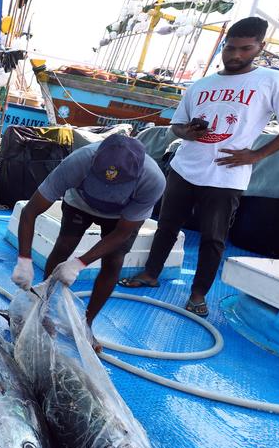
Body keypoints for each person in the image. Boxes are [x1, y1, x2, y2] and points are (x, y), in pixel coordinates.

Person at [120, 17, 279, 317]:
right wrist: (186, 132)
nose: (235, 55)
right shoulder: (202, 85)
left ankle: (198, 294)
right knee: (166, 226)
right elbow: (176, 126)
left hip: (227, 176)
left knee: (213, 238)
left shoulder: (272, 81)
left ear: (260, 47)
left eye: (245, 49)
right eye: (230, 48)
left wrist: (258, 155)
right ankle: (150, 274)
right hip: (184, 168)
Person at [12, 136, 166, 351]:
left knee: (114, 261)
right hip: (80, 203)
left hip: (121, 216)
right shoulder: (78, 161)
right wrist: (24, 260)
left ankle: (87, 324)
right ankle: (43, 309)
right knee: (64, 246)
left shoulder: (153, 180)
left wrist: (79, 264)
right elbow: (30, 212)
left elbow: (122, 233)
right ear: (93, 163)